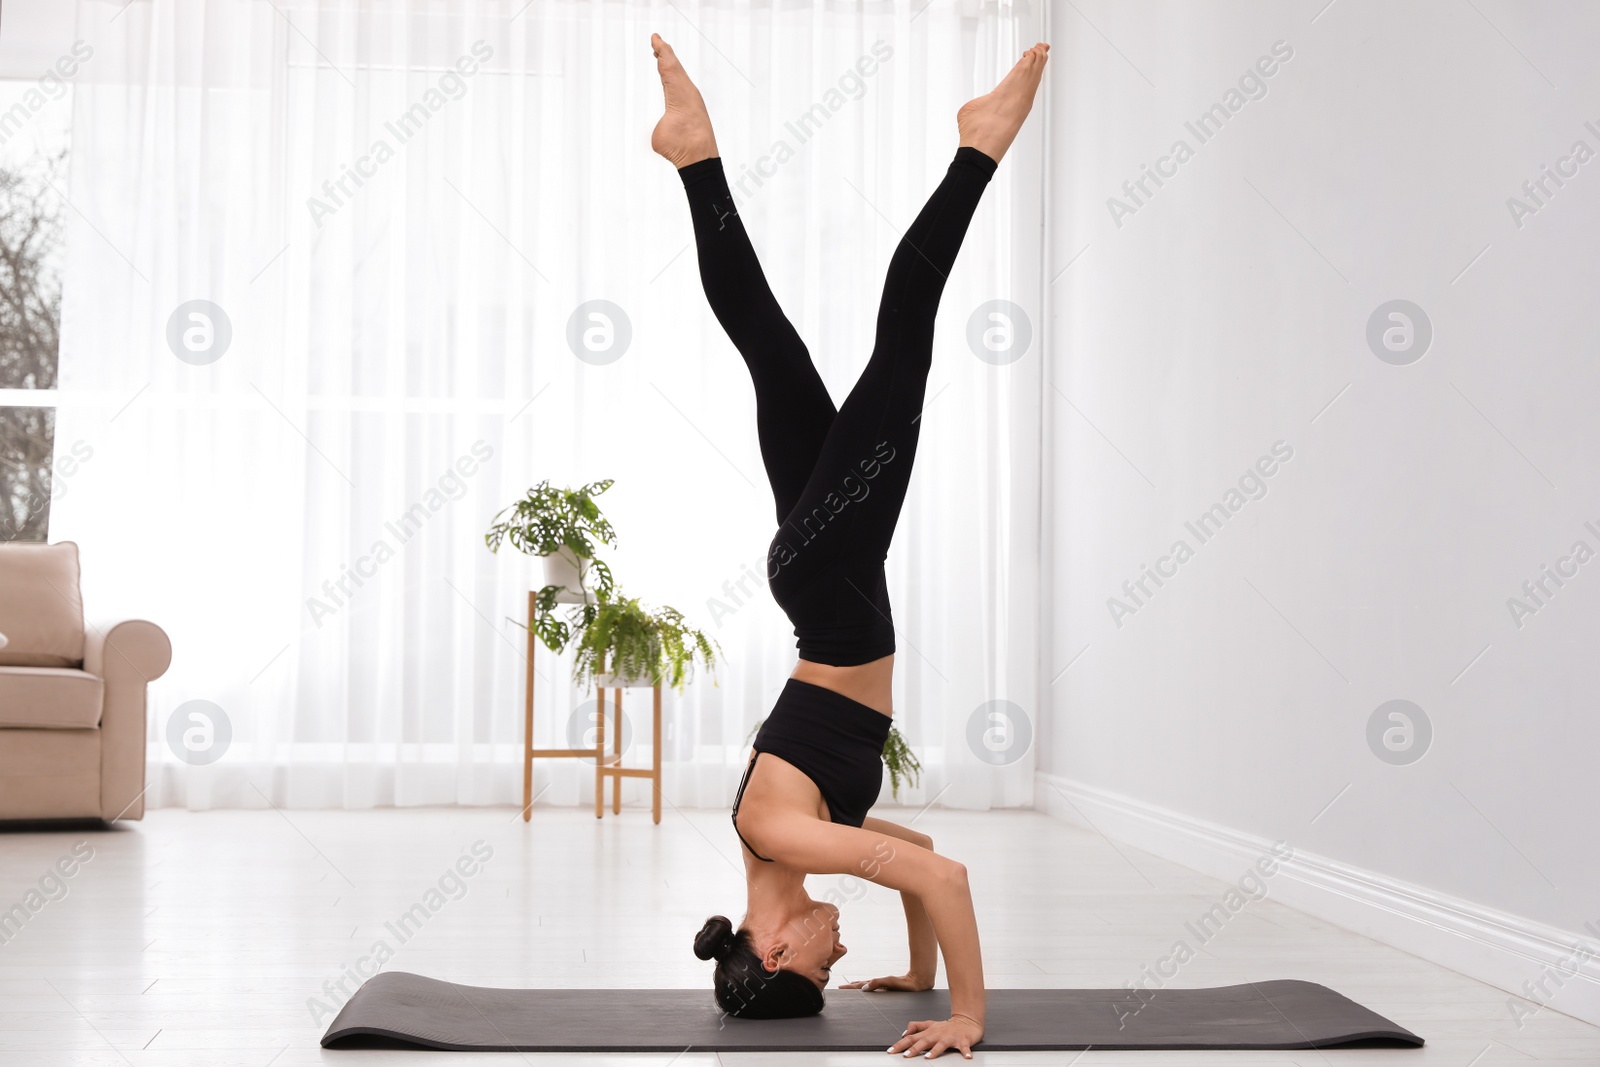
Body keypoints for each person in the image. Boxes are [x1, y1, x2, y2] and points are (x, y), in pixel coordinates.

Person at [651, 32, 1048, 1061]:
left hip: (830, 581)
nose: (836, 948)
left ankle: (978, 149)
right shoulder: (791, 844)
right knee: (772, 351)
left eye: (820, 960)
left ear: (774, 945)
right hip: (825, 576)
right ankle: (694, 156)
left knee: (903, 336)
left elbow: (941, 880)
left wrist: (962, 1016)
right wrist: (915, 967)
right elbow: (918, 853)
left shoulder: (782, 839)